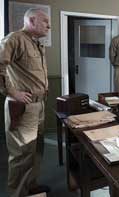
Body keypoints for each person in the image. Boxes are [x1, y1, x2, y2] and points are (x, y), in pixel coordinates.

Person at [0, 8, 50, 196]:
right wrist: (12, 92)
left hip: (38, 105)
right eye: (45, 21)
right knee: (22, 154)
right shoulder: (15, 39)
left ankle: (30, 186)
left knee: (36, 149)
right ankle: (18, 193)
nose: (49, 25)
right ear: (31, 20)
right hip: (23, 106)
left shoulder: (36, 43)